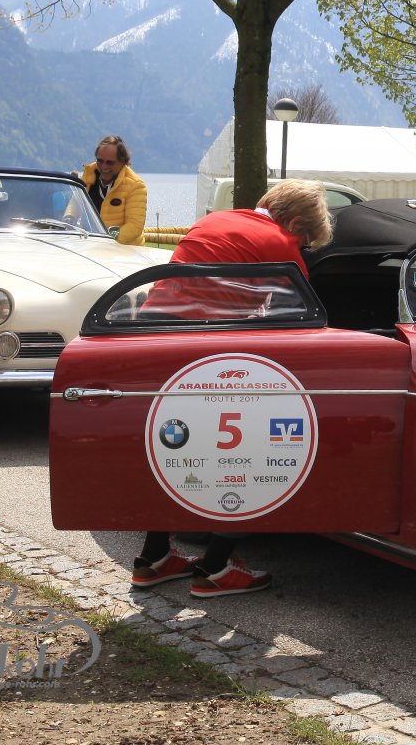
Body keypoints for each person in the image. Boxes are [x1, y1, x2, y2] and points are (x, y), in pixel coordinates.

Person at [132, 179, 334, 597]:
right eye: (307, 240)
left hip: (151, 339)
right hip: (203, 349)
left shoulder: (215, 220)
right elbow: (300, 320)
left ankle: (154, 558)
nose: (303, 248)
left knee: (173, 448)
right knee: (245, 451)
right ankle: (216, 567)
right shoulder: (281, 244)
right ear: (295, 223)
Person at [80, 135, 148, 245]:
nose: (104, 166)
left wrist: (107, 240)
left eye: (110, 162)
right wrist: (68, 219)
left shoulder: (136, 185)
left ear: (123, 162)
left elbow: (134, 226)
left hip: (125, 250)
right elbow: (75, 206)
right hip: (91, 246)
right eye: (100, 161)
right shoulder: (89, 174)